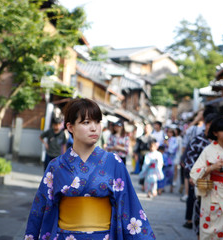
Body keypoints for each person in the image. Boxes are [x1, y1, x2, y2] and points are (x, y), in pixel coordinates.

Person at [24, 98, 155, 240]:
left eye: (97, 121)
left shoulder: (114, 162)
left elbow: (130, 207)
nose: (94, 128)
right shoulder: (56, 166)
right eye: (86, 122)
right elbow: (39, 211)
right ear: (70, 127)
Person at [182, 112, 219, 233]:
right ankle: (194, 225)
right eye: (211, 124)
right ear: (207, 125)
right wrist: (193, 176)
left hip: (218, 184)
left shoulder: (220, 143)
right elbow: (189, 160)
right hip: (200, 180)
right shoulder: (197, 140)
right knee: (200, 208)